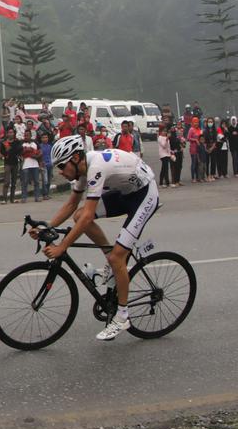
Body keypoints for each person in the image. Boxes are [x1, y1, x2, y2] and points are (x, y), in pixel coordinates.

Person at [37, 135, 159, 341]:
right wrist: (47, 226)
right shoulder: (83, 168)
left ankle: (122, 317)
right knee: (79, 216)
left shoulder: (96, 168)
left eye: (62, 165)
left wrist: (62, 248)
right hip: (125, 192)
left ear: (76, 158)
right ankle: (110, 255)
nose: (60, 171)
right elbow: (72, 206)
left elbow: (86, 219)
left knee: (117, 258)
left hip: (144, 195)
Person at [21, 134, 42, 203]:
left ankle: (37, 197)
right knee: (25, 182)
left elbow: (40, 152)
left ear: (30, 136)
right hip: (26, 165)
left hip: (35, 164)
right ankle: (24, 197)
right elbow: (21, 152)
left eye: (28, 135)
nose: (27, 137)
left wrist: (36, 156)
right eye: (26, 136)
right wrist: (28, 151)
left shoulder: (35, 143)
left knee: (36, 181)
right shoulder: (22, 144)